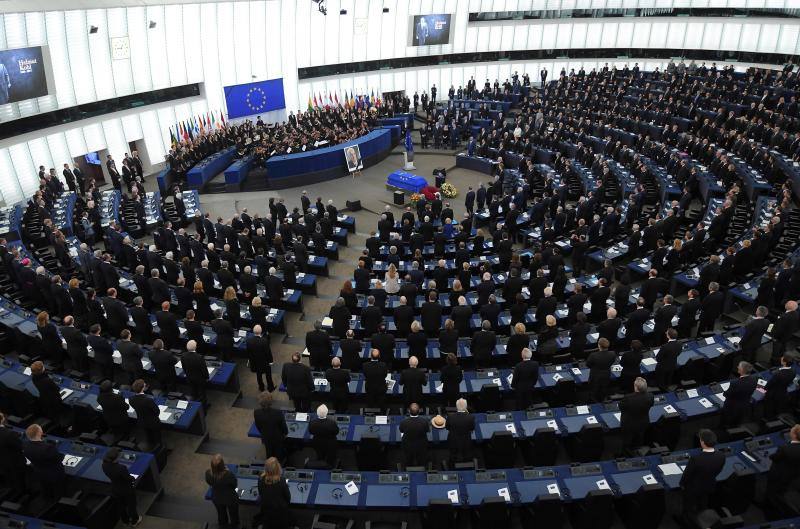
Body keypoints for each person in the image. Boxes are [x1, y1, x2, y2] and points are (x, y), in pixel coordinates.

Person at [680, 429, 725, 524]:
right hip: (709, 485)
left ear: (703, 442)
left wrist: (682, 484)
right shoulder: (721, 455)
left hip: (693, 489)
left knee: (688, 506)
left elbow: (687, 475)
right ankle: (703, 517)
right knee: (703, 501)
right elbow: (718, 470)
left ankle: (687, 521)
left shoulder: (696, 459)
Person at [24, 423, 66, 499]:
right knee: (58, 491)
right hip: (54, 474)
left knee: (46, 489)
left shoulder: (25, 446)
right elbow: (59, 458)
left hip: (39, 472)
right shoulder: (48, 448)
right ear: (39, 433)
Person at [102, 447, 141, 527]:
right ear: (116, 458)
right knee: (131, 505)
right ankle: (135, 521)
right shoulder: (121, 468)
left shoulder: (104, 465)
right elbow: (128, 478)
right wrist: (133, 478)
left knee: (121, 506)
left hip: (115, 489)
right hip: (127, 490)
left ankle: (125, 521)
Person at [205, 454, 239, 529]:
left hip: (217, 498)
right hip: (230, 498)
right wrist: (227, 471)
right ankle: (234, 526)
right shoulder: (228, 475)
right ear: (222, 465)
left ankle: (223, 525)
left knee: (221, 513)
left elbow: (209, 482)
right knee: (233, 514)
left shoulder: (208, 473)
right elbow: (234, 485)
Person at [765, 424, 800, 498]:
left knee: (771, 488)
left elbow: (773, 458)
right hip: (793, 474)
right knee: (782, 488)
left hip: (779, 474)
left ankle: (768, 499)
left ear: (794, 435)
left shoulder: (785, 448)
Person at [619, 377, 654, 451]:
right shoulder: (650, 396)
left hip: (629, 424)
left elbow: (621, 407)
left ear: (636, 387)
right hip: (643, 422)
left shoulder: (628, 398)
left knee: (627, 440)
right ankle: (637, 452)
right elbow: (651, 404)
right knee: (639, 439)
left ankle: (625, 453)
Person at [257, 458, 292, 529]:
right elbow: (288, 498)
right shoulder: (281, 481)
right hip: (280, 515)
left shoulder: (261, 480)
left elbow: (261, 494)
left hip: (267, 515)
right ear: (277, 468)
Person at [721, 361, 757, 427]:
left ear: (742, 370)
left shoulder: (735, 383)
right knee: (737, 422)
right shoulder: (754, 380)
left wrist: (724, 392)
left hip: (732, 407)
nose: (737, 367)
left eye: (739, 367)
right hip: (744, 406)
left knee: (727, 422)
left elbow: (727, 394)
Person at [253, 392, 288, 461]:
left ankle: (270, 462)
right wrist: (285, 433)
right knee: (279, 454)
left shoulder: (256, 412)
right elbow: (283, 427)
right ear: (271, 401)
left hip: (266, 437)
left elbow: (258, 426)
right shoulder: (278, 413)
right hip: (278, 438)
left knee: (269, 452)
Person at [129, 379, 161, 449]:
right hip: (153, 422)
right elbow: (157, 411)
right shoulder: (148, 400)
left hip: (141, 421)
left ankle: (150, 446)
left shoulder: (131, 399)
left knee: (148, 435)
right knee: (157, 436)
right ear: (143, 388)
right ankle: (159, 448)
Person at [0, 412, 26, 490]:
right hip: (14, 463)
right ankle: (22, 492)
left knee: (10, 480)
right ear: (3, 419)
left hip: (2, 463)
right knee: (19, 481)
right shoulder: (9, 433)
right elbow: (21, 446)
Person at [399, 403, 430, 467]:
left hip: (407, 446)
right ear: (419, 411)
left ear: (409, 411)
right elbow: (427, 430)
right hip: (421, 446)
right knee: (421, 461)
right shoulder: (424, 421)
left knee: (408, 461)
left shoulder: (403, 422)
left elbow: (401, 430)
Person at [247, 325, 275, 393]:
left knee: (258, 375)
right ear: (261, 331)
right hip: (265, 362)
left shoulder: (249, 341)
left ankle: (261, 387)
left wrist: (250, 361)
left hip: (255, 362)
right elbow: (268, 352)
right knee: (268, 375)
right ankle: (270, 387)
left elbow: (249, 352)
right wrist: (271, 361)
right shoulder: (264, 341)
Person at [586, 337, 616, 402]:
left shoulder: (593, 355)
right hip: (606, 374)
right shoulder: (612, 354)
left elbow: (588, 365)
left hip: (595, 375)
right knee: (604, 388)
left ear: (599, 345)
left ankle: (593, 401)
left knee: (594, 390)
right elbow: (612, 362)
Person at [446, 398, 475, 463]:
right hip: (466, 440)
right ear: (466, 407)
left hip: (453, 440)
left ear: (456, 407)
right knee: (466, 453)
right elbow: (472, 428)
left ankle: (452, 462)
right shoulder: (471, 417)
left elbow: (447, 427)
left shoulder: (450, 417)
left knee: (453, 453)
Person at [182, 340, 210, 405]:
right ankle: (204, 406)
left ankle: (194, 404)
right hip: (199, 379)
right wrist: (207, 377)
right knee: (202, 393)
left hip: (189, 377)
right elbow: (204, 369)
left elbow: (184, 367)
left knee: (193, 391)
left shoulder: (183, 356)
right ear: (195, 347)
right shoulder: (199, 357)